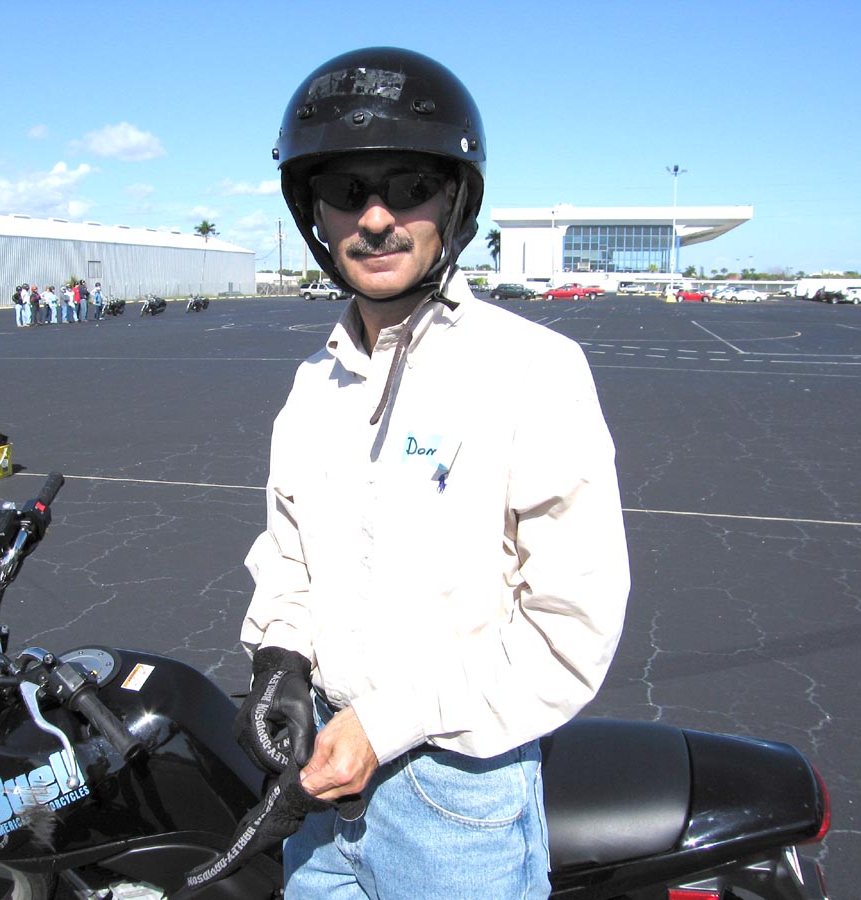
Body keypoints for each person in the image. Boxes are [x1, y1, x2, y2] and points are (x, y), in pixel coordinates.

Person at [234, 47, 629, 900]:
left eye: (409, 186)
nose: (376, 218)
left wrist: (385, 723)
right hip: (321, 776)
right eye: (347, 191)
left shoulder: (532, 370)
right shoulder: (314, 384)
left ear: (455, 201)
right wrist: (279, 653)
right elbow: (291, 555)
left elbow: (571, 626)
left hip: (455, 796)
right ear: (314, 213)